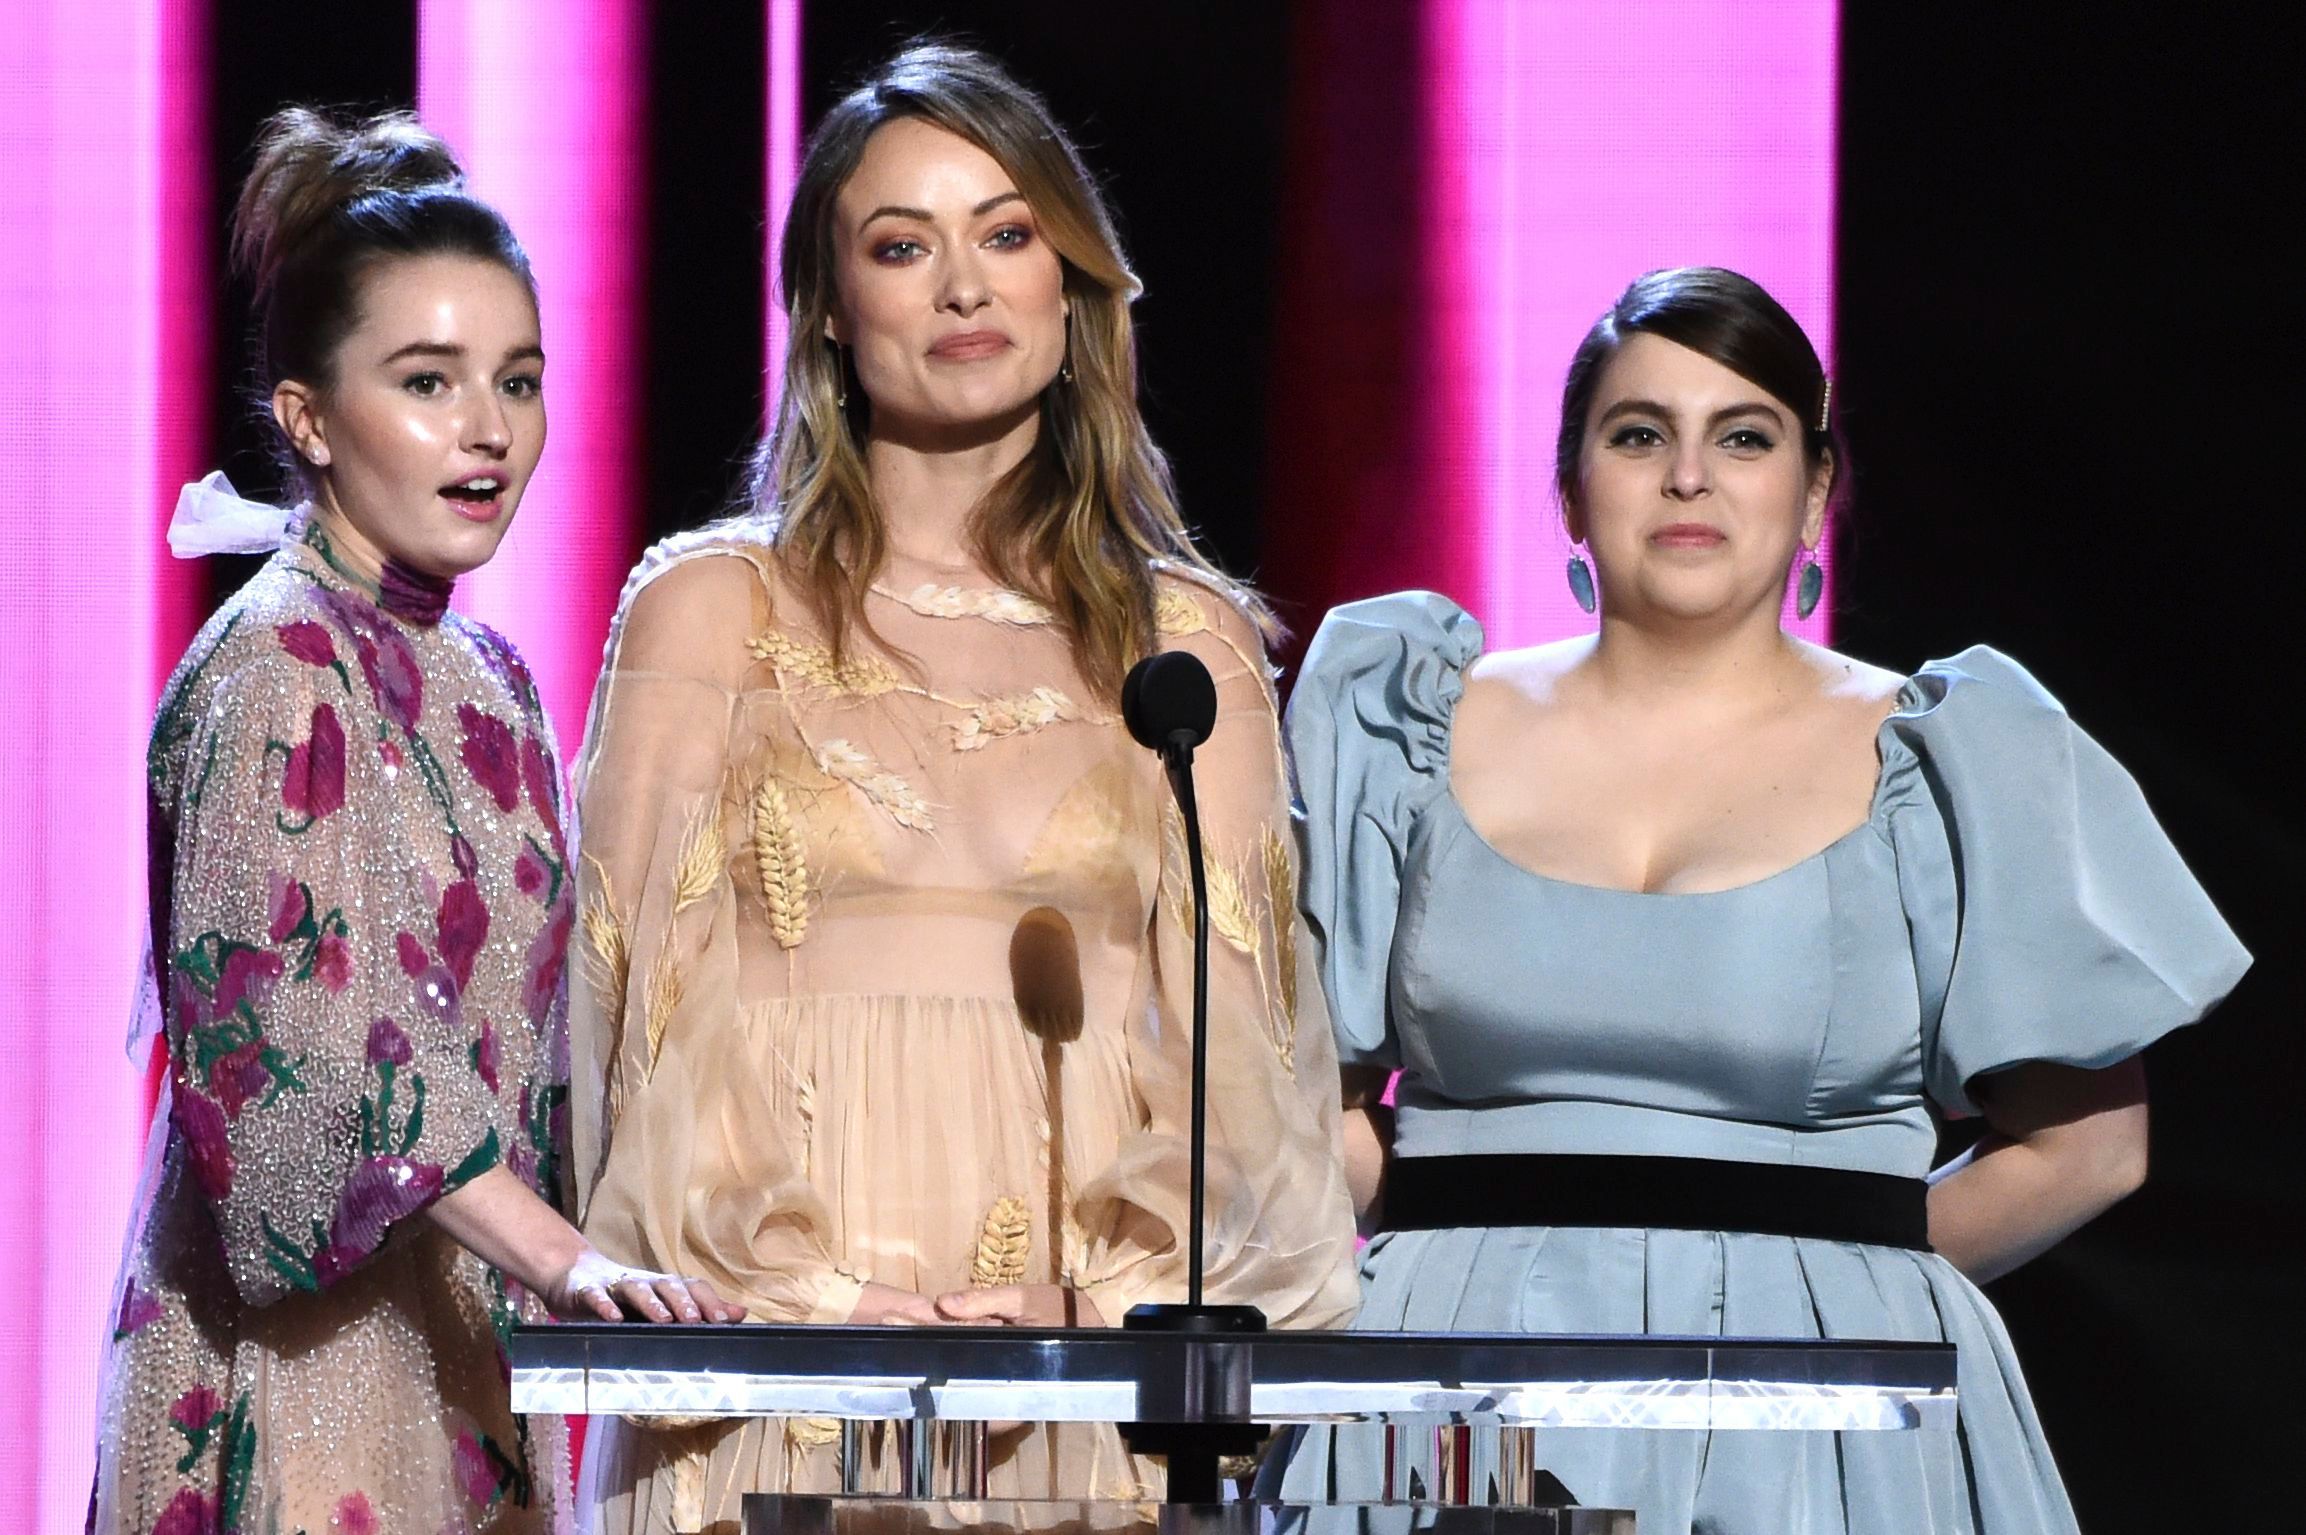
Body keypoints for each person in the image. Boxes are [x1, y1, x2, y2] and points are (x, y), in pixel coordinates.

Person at [1274, 266, 2250, 1531]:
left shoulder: (1950, 750)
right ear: (1569, 486)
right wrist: (1455, 1266)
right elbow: (1310, 1087)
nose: (1690, 478)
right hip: (1454, 1393)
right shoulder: (1404, 719)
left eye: (1743, 437)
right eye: (1639, 435)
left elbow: (2089, 1144)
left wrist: (1835, 1286)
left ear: (1815, 491)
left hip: (1818, 1415)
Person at [566, 43, 1359, 1530]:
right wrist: (831, 1302)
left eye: (1006, 233)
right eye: (900, 244)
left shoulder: (1186, 645)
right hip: (783, 1385)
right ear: (825, 311)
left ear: (1072, 288)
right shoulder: (709, 611)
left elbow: (1254, 1091)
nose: (963, 286)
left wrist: (1095, 1302)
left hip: (1077, 1394)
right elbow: (624, 1045)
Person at [88, 108, 738, 1535]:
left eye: (517, 379)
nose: (489, 429)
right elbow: (308, 1047)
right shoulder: (269, 664)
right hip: (298, 1368)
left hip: (466, 1346)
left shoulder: (493, 679)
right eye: (428, 381)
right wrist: (562, 1256)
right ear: (309, 417)